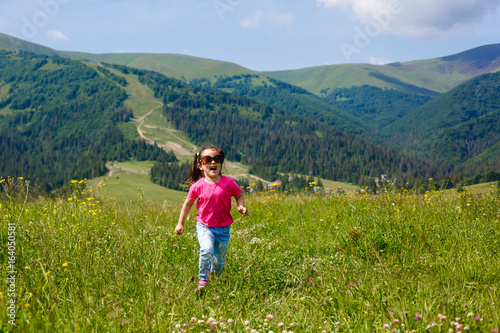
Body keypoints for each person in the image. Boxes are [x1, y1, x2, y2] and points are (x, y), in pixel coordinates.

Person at [175, 144, 250, 291]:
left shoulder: (229, 183)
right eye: (207, 159)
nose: (213, 162)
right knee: (206, 249)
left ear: (221, 162)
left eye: (217, 159)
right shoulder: (197, 186)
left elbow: (239, 195)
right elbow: (187, 205)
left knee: (218, 261)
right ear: (201, 166)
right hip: (205, 227)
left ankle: (215, 281)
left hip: (223, 229)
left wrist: (241, 206)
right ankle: (203, 280)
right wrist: (180, 224)